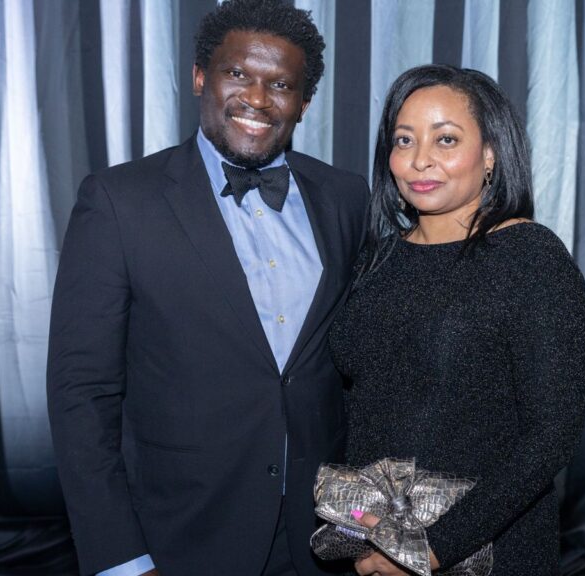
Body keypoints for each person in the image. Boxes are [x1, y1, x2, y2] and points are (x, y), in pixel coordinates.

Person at [46, 1, 368, 574]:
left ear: (304, 102)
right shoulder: (119, 201)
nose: (258, 98)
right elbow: (82, 394)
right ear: (200, 77)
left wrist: (368, 525)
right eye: (237, 73)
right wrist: (120, 558)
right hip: (183, 534)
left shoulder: (346, 197)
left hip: (324, 537)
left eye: (281, 84)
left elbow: (358, 371)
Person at [327, 65, 585, 575]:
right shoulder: (378, 259)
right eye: (404, 140)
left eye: (445, 139)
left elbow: (552, 435)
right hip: (368, 543)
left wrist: (430, 549)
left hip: (484, 552)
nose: (420, 159)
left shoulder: (530, 258)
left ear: (490, 154)